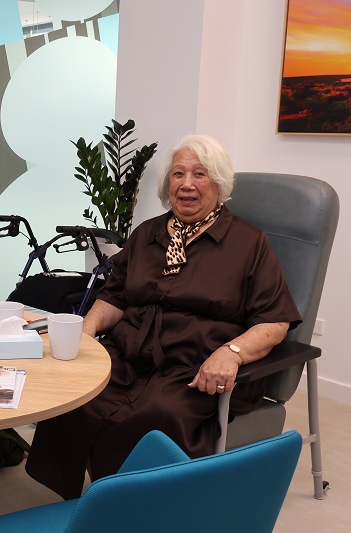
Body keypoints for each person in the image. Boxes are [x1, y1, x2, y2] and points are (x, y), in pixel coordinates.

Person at [24, 133, 302, 500]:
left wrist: (231, 354)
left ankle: (143, 507)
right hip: (128, 357)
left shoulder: (248, 244)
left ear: (218, 184)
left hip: (196, 369)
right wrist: (87, 328)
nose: (186, 184)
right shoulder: (147, 235)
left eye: (199, 175)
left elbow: (274, 320)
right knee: (73, 399)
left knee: (153, 419)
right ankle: (88, 503)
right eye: (178, 174)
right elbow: (115, 295)